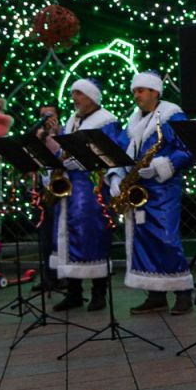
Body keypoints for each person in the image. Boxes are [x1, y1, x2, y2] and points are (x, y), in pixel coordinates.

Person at [109, 71, 195, 315]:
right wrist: (117, 175)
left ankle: (183, 293)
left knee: (167, 238)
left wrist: (161, 165)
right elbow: (119, 149)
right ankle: (155, 293)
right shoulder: (134, 120)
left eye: (141, 90)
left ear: (155, 92)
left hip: (163, 189)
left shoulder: (172, 115)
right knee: (144, 241)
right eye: (135, 90)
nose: (136, 95)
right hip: (140, 190)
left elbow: (187, 149)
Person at [46, 79, 120, 312]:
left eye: (79, 93)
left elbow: (111, 155)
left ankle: (99, 292)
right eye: (73, 93)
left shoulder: (107, 121)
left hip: (91, 189)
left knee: (93, 235)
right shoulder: (73, 120)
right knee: (66, 238)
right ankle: (74, 292)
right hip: (69, 188)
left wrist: (83, 162)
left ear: (92, 97)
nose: (74, 98)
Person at [33, 103, 62, 293]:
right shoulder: (37, 136)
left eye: (50, 114)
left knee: (59, 237)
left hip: (59, 190)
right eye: (43, 115)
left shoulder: (63, 133)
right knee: (45, 238)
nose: (47, 119)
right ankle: (48, 277)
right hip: (43, 191)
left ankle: (63, 276)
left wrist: (50, 136)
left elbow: (60, 156)